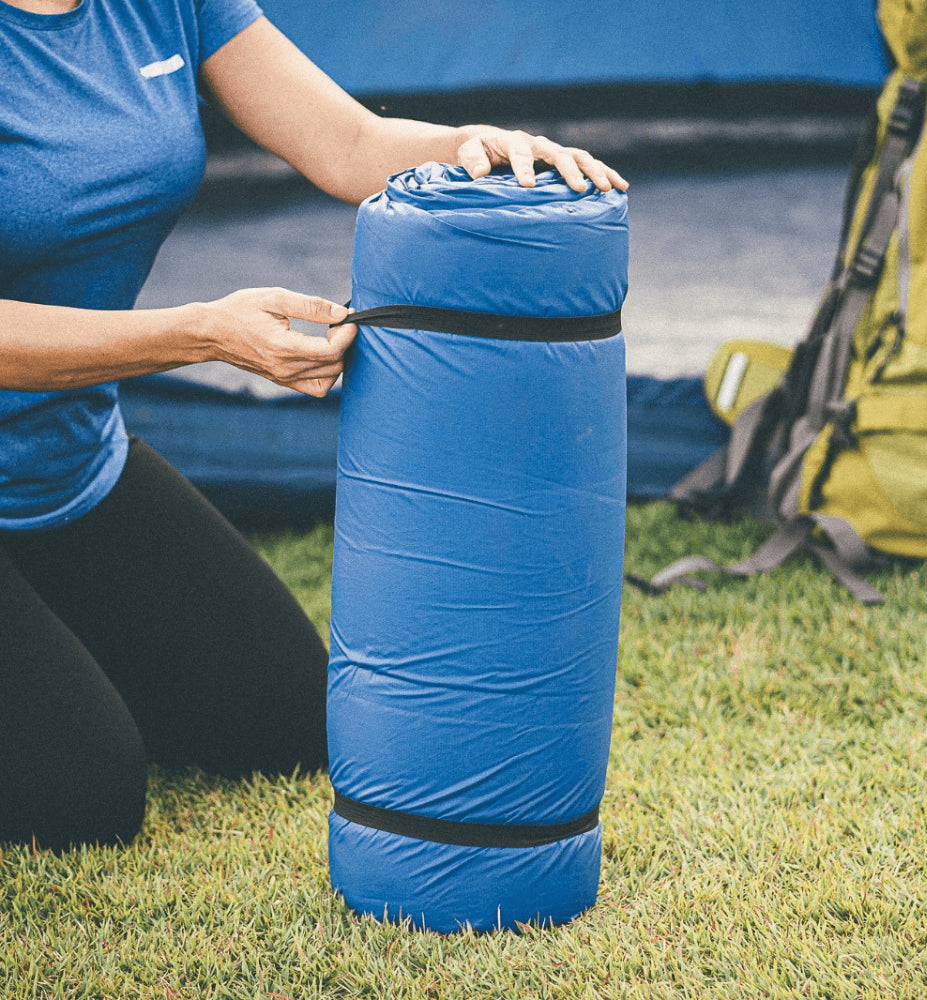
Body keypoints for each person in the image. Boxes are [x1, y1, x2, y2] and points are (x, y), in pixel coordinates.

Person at [0, 0, 628, 852]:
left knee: (283, 721)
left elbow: (349, 145)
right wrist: (202, 333)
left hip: (66, 468)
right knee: (79, 801)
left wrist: (475, 147)